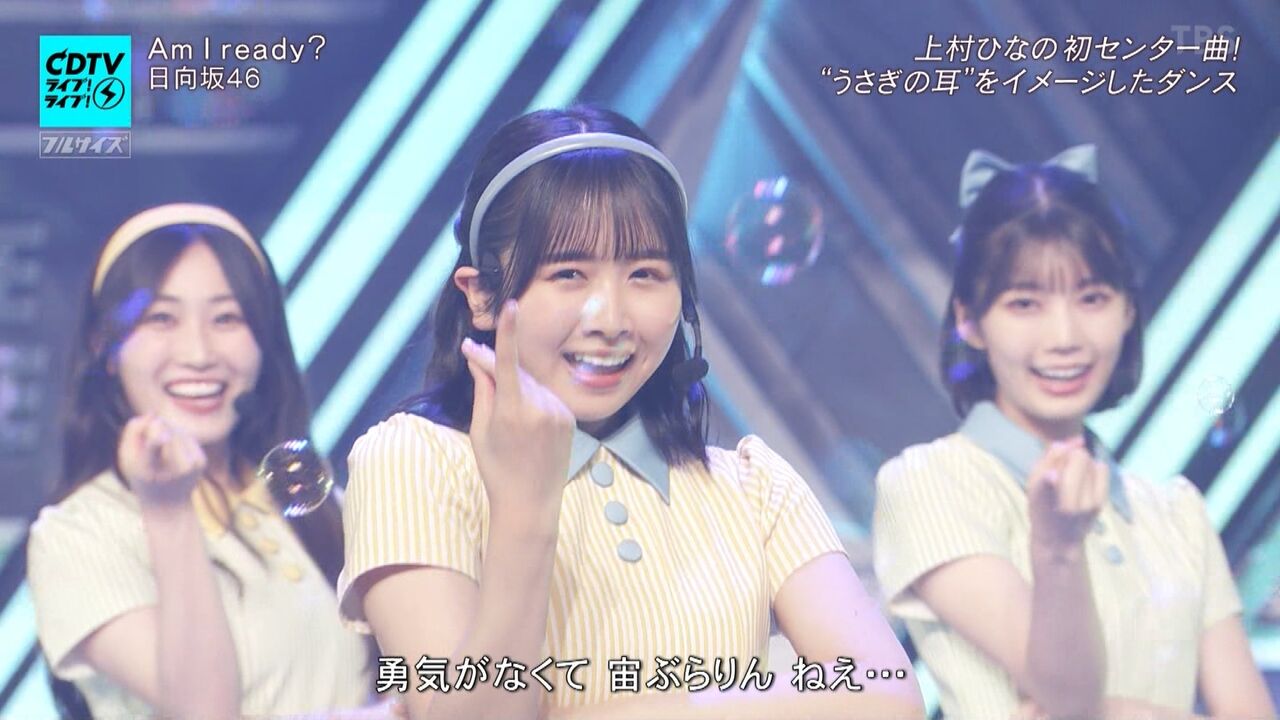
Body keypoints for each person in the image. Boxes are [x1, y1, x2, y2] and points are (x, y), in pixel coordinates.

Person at [336, 106, 924, 720]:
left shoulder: (753, 485)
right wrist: (525, 514)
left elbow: (887, 697)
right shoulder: (412, 461)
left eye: (645, 273)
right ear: (481, 295)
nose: (611, 319)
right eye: (568, 273)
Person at [872, 147, 1277, 720]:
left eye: (1092, 299)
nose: (1065, 337)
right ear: (969, 320)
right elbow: (1068, 698)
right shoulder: (930, 485)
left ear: (1128, 310)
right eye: (1025, 303)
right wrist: (1057, 550)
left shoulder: (1178, 515)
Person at [27, 204, 389, 719]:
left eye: (227, 318)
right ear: (103, 345)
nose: (198, 353)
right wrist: (168, 511)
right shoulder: (79, 533)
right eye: (161, 319)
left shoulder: (319, 503)